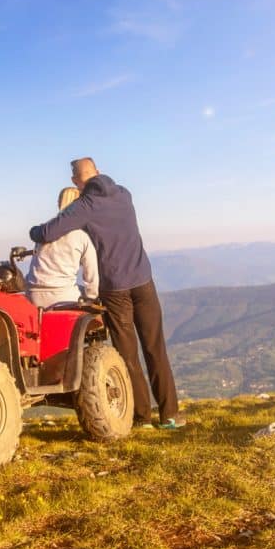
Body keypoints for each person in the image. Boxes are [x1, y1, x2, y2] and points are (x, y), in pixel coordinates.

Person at [29, 158, 183, 429]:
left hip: (115, 290)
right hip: (144, 281)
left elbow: (48, 232)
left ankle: (142, 418)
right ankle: (171, 415)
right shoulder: (124, 194)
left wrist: (34, 230)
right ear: (98, 172)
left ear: (77, 181)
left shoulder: (84, 206)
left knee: (128, 355)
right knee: (155, 348)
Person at [25, 187, 99, 308]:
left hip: (33, 294)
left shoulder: (44, 231)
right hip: (62, 297)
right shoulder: (81, 236)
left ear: (59, 203)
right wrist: (91, 297)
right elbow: (91, 275)